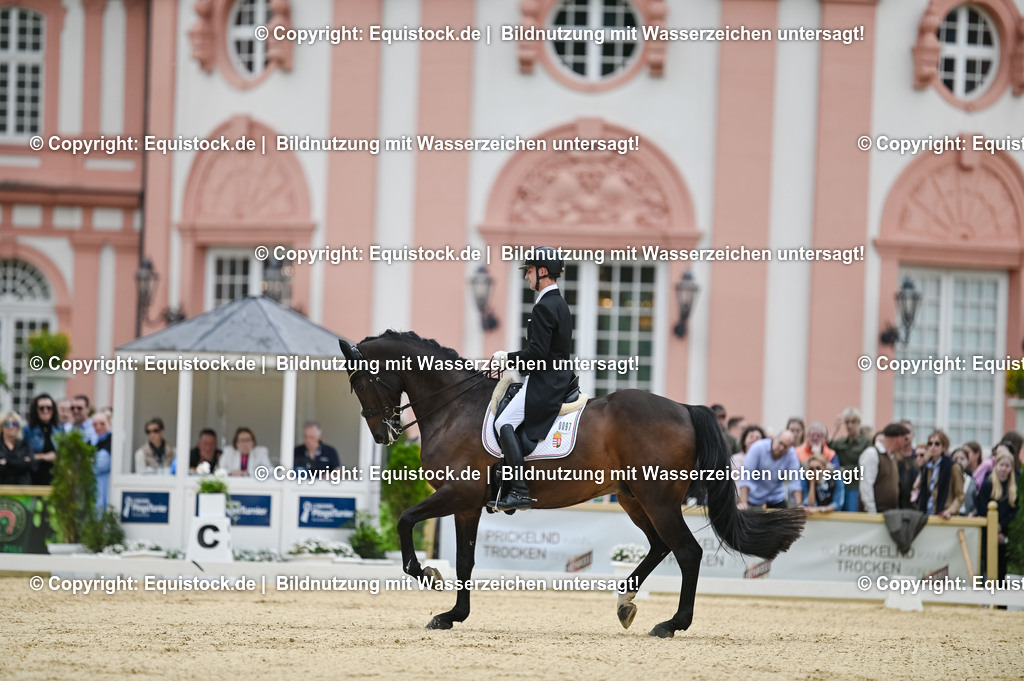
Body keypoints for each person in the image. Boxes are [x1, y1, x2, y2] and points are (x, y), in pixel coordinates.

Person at [489, 246, 574, 512]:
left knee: (503, 421)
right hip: (558, 377)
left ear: (543, 271)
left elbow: (537, 355)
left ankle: (520, 492)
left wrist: (507, 358)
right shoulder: (559, 303)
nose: (527, 276)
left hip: (546, 382)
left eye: (529, 271)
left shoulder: (544, 307)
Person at [975, 451, 1018, 583]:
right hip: (987, 532)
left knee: (1002, 570)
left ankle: (1001, 603)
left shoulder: (1013, 487)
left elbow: (1014, 511)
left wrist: (1001, 526)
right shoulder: (988, 484)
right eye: (1001, 465)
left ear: (1011, 468)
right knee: (986, 565)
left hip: (1003, 533)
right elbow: (981, 506)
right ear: (996, 466)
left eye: (1007, 466)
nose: (1004, 468)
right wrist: (993, 528)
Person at [737, 429, 802, 510]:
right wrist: (743, 503)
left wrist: (799, 505)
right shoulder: (757, 447)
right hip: (755, 497)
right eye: (780, 443)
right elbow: (746, 477)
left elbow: (795, 481)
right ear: (775, 438)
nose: (781, 448)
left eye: (785, 446)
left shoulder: (791, 453)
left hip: (777, 498)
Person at [858, 423, 909, 514]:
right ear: (899, 438)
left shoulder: (892, 457)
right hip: (874, 514)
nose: (906, 443)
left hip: (888, 513)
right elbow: (866, 487)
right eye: (905, 439)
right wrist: (872, 513)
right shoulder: (872, 454)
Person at [828, 407, 872, 512]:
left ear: (859, 423)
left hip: (855, 486)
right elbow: (827, 449)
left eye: (853, 422)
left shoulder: (866, 442)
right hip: (840, 486)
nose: (850, 425)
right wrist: (835, 429)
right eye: (847, 422)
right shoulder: (841, 442)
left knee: (851, 514)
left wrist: (843, 470)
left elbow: (865, 468)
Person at [915, 429, 964, 519]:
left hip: (945, 516)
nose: (933, 447)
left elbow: (960, 495)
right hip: (927, 515)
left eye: (937, 444)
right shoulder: (927, 466)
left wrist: (950, 510)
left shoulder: (953, 467)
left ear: (944, 447)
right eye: (930, 444)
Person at [23, 393, 59, 485]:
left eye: (49, 407)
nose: (45, 411)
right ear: (36, 410)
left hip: (56, 477)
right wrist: (44, 457)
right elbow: (23, 456)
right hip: (34, 477)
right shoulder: (28, 430)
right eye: (41, 408)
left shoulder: (60, 430)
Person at [0, 412, 35, 485]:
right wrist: (20, 461)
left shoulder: (24, 444)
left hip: (22, 490)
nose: (11, 427)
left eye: (15, 424)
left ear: (18, 427)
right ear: (2, 427)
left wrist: (6, 462)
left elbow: (30, 465)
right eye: (7, 424)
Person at [731, 424, 766, 491]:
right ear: (744, 440)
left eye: (757, 438)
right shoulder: (734, 459)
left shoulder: (765, 462)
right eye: (751, 436)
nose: (754, 440)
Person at [91, 412, 112, 511]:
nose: (98, 427)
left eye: (102, 424)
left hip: (107, 486)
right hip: (95, 487)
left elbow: (101, 464)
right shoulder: (92, 441)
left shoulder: (112, 440)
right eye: (95, 424)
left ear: (109, 423)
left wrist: (92, 460)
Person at [951, 447, 978, 516]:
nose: (959, 461)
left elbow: (976, 504)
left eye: (962, 459)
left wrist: (973, 513)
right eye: (955, 459)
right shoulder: (947, 479)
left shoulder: (971, 482)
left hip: (966, 518)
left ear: (968, 461)